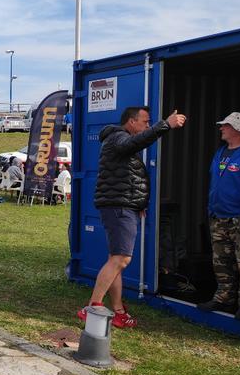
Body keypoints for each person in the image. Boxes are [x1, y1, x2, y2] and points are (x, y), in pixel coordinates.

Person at [78, 107, 186, 328]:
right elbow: (135, 144)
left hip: (121, 206)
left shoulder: (116, 139)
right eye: (145, 121)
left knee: (116, 260)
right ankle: (92, 307)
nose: (147, 125)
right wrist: (165, 124)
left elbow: (126, 177)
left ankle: (117, 311)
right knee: (121, 259)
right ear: (131, 121)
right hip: (119, 208)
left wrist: (139, 203)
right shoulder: (119, 137)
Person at [197, 112, 240, 321]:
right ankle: (224, 298)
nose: (221, 128)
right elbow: (215, 183)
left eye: (225, 126)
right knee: (221, 261)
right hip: (219, 217)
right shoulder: (221, 152)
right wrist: (211, 210)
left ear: (238, 129)